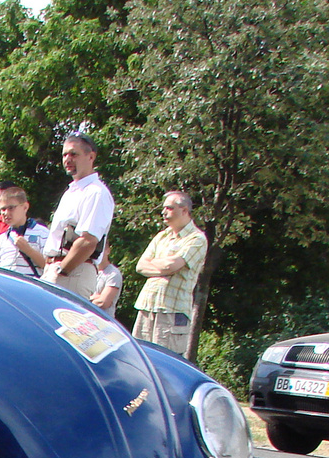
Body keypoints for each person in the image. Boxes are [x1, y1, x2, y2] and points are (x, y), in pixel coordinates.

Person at [132, 191, 207, 356]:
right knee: (140, 359)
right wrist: (164, 266)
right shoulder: (162, 236)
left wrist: (159, 264)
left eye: (169, 208)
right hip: (147, 306)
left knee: (164, 362)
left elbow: (172, 265)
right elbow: (140, 266)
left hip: (172, 312)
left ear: (184, 210)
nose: (163, 212)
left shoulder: (196, 239)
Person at [41, 134, 114, 299]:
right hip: (59, 269)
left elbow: (88, 241)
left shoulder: (95, 192)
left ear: (91, 156)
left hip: (73, 272)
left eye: (74, 154)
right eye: (64, 155)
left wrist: (61, 271)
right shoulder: (72, 192)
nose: (68, 159)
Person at [0, 183, 49, 276]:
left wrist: (29, 251)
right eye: (3, 209)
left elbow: (50, 267)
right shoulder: (1, 239)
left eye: (11, 208)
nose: (6, 213)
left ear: (25, 207)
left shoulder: (42, 233)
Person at [91, 246, 123, 317]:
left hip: (103, 320)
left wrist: (84, 300)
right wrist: (92, 298)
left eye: (101, 249)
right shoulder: (88, 270)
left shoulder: (113, 274)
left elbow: (103, 303)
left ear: (108, 251)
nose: (98, 252)